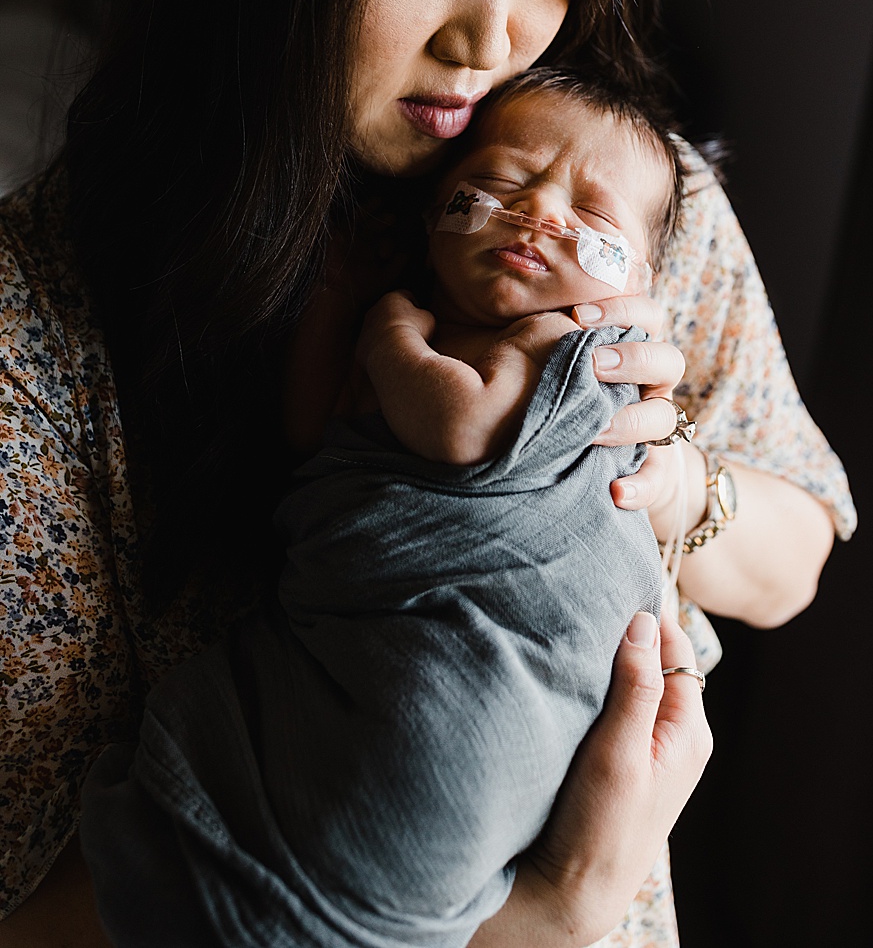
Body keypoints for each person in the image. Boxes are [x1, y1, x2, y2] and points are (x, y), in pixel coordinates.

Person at [0, 0, 854, 947]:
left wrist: (672, 482)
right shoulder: (38, 359)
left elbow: (798, 547)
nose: (500, 33)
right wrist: (554, 917)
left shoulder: (599, 200)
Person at [79, 69, 693, 948]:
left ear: (636, 280)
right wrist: (338, 298)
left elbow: (463, 426)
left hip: (499, 657)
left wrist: (386, 331)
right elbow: (311, 425)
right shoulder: (417, 321)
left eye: (592, 216)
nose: (541, 213)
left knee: (424, 762)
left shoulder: (576, 342)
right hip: (379, 631)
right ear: (435, 208)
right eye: (508, 182)